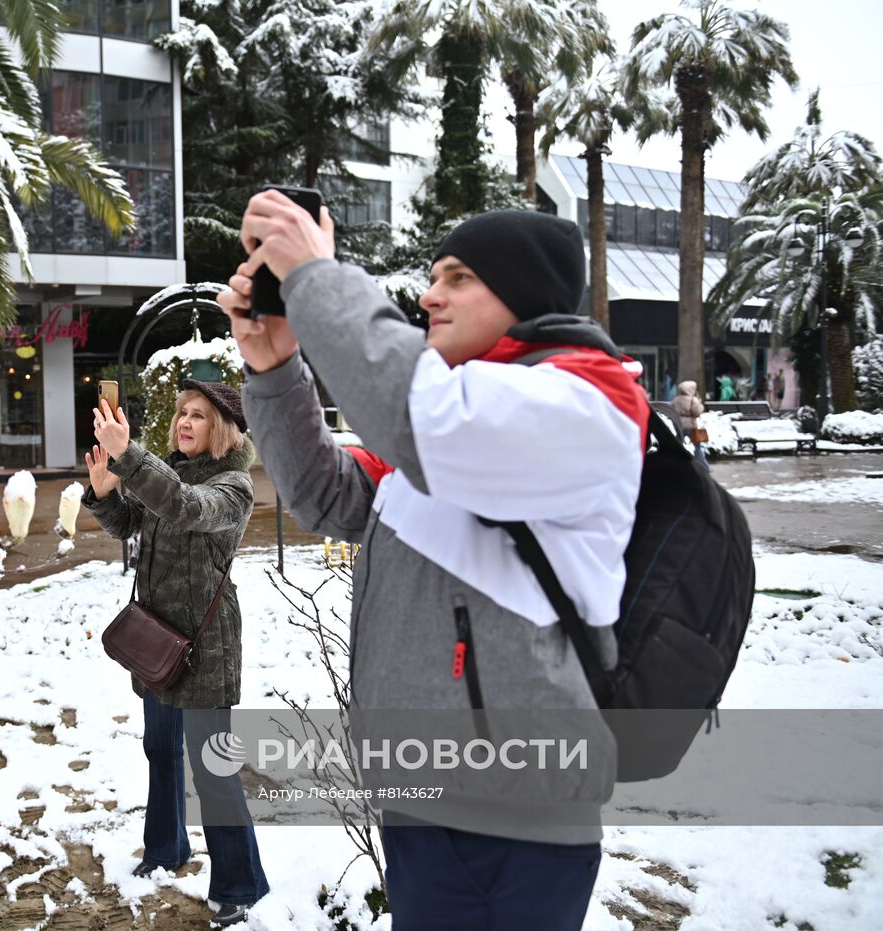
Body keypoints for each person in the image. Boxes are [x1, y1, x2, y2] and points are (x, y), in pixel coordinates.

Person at [221, 198, 648, 930]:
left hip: (517, 817)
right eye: (431, 275)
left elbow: (426, 418)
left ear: (523, 295)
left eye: (458, 277)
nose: (428, 295)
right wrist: (275, 365)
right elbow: (329, 494)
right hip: (427, 799)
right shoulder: (457, 412)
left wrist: (320, 277)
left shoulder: (586, 399)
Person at [82, 382, 268, 928]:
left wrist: (129, 458)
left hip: (205, 648)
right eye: (182, 413)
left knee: (212, 770)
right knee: (160, 750)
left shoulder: (232, 486)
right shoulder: (167, 472)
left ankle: (241, 885)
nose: (184, 422)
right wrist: (105, 493)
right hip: (156, 637)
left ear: (223, 429)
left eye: (199, 416)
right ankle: (166, 849)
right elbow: (131, 527)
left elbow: (186, 510)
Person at [672, 381, 710, 470]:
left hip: (679, 425)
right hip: (691, 426)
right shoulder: (693, 400)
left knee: (679, 445)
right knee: (697, 447)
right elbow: (698, 412)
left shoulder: (676, 400)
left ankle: (677, 463)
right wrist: (699, 403)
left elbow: (672, 410)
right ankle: (704, 466)